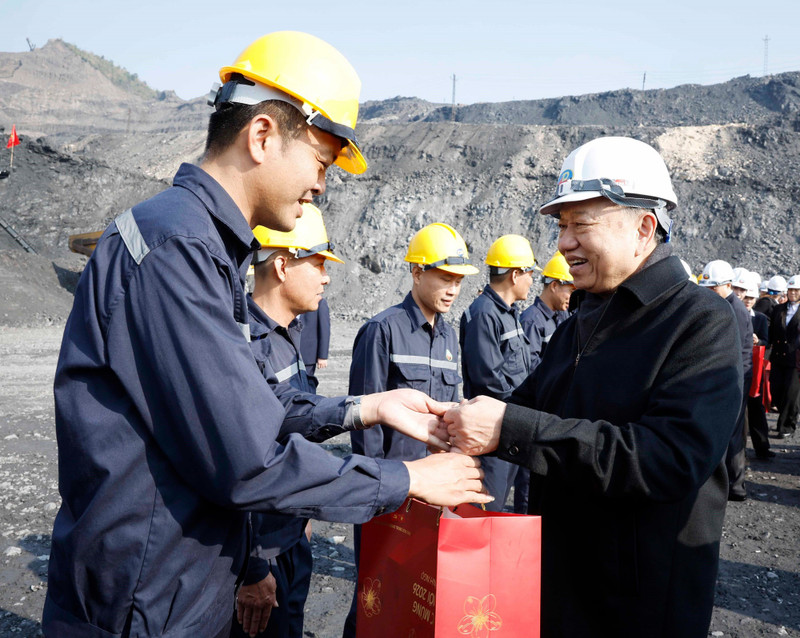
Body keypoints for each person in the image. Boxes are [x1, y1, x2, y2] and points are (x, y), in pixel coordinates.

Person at [44, 32, 488, 638]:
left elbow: (248, 409)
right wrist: (409, 479)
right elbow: (248, 459)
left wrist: (370, 407)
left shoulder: (197, 243)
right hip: (142, 606)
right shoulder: (178, 249)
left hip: (167, 592)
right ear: (261, 136)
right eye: (322, 162)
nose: (321, 185)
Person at [444, 136, 742, 637]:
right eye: (561, 226)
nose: (563, 243)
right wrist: (450, 421)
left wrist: (510, 427)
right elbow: (525, 404)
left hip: (636, 611)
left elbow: (668, 458)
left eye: (581, 224)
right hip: (559, 593)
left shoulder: (699, 322)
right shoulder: (583, 319)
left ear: (644, 227)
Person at [344, 222, 479, 638]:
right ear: (417, 273)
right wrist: (373, 494)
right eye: (445, 277)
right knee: (375, 593)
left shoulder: (450, 337)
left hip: (430, 495)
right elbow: (364, 423)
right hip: (388, 492)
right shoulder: (381, 331)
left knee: (417, 597)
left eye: (458, 280)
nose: (453, 289)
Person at [460, 234, 535, 510]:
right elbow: (488, 379)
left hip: (508, 429)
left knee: (500, 508)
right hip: (490, 435)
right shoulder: (484, 314)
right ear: (515, 274)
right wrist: (523, 410)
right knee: (486, 513)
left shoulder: (508, 313)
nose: (532, 281)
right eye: (529, 273)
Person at [515, 250, 575, 512]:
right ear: (554, 285)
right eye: (568, 291)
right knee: (528, 484)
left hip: (550, 414)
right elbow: (529, 372)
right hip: (535, 414)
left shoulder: (560, 320)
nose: (571, 298)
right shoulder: (532, 321)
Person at [698, 259, 753, 501]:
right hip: (729, 377)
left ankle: (736, 486)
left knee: (732, 432)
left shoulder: (736, 310)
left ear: (728, 285)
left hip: (734, 379)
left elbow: (738, 352)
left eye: (714, 288)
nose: (710, 293)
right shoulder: (724, 305)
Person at [743, 275, 774, 459]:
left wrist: (758, 341)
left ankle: (762, 447)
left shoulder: (760, 319)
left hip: (754, 369)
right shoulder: (732, 311)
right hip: (739, 367)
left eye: (751, 299)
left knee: (756, 408)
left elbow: (766, 340)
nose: (748, 301)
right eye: (746, 298)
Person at [769, 274, 800, 439]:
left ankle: (787, 425)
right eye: (791, 289)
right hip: (778, 357)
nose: (793, 293)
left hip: (795, 359)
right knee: (776, 390)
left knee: (791, 394)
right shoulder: (779, 309)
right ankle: (785, 417)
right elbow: (772, 331)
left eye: (796, 290)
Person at [298, 297, 331, 391]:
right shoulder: (292, 298)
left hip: (308, 355)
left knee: (306, 385)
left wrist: (322, 356)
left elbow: (324, 329)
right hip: (289, 352)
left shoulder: (320, 302)